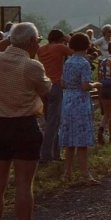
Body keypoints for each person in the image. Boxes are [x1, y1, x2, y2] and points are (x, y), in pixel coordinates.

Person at [0, 23, 52, 220]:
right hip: (23, 126)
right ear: (32, 42)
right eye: (38, 40)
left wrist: (12, 36)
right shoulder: (31, 66)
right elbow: (46, 89)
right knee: (23, 184)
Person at [60, 33, 102, 184]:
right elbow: (85, 86)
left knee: (70, 139)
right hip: (80, 101)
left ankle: (67, 172)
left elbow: (63, 83)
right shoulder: (84, 63)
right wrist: (95, 84)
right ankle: (85, 175)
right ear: (87, 46)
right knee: (82, 140)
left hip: (67, 99)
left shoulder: (68, 62)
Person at [37, 29, 71, 163]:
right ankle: (45, 155)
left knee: (50, 121)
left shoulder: (41, 50)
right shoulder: (60, 47)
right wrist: (69, 40)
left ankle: (55, 153)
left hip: (44, 86)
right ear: (60, 38)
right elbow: (76, 53)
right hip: (56, 85)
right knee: (53, 122)